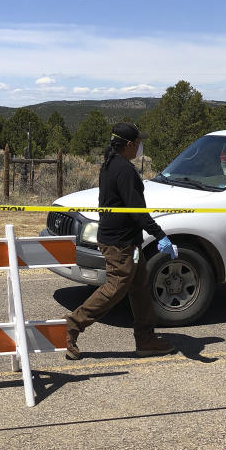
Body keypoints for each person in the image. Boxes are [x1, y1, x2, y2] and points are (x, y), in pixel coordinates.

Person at [64, 122, 178, 361]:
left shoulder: (111, 164)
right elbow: (137, 211)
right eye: (137, 142)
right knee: (115, 288)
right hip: (120, 243)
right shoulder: (124, 170)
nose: (140, 146)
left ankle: (146, 340)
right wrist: (160, 235)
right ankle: (72, 325)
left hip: (127, 240)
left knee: (140, 288)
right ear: (129, 145)